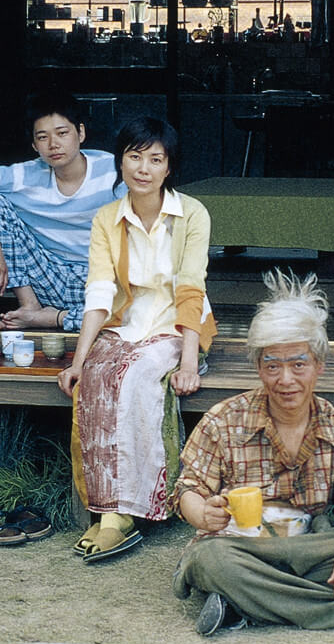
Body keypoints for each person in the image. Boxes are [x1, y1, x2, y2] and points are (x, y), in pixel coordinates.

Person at [169, 271, 334, 635]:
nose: (286, 379)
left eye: (298, 364)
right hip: (244, 549)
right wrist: (204, 515)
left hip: (310, 545)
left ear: (319, 366)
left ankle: (244, 606)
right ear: (259, 368)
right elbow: (189, 489)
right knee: (210, 560)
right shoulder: (224, 420)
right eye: (272, 365)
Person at [57, 117, 216, 563]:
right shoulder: (108, 218)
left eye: (155, 159)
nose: (143, 168)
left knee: (137, 377)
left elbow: (191, 287)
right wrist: (78, 359)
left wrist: (187, 364)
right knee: (95, 380)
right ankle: (109, 510)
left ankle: (137, 507)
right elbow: (100, 291)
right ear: (120, 161)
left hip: (175, 325)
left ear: (169, 168)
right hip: (125, 322)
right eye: (134, 156)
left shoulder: (192, 214)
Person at [0, 91, 125, 332]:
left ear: (80, 133)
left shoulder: (113, 172)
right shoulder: (26, 174)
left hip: (102, 282)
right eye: (43, 137)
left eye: (62, 133)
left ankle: (50, 318)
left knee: (133, 314)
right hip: (49, 276)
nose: (54, 144)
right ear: (34, 144)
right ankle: (29, 305)